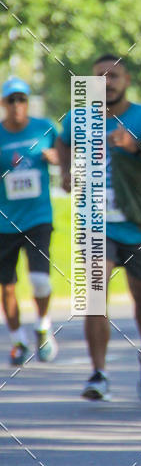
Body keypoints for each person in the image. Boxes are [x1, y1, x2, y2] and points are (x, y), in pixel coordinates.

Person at [57, 55, 141, 401]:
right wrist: (66, 171)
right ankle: (98, 373)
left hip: (139, 224)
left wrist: (135, 147)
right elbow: (63, 140)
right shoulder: (79, 117)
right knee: (94, 296)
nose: (106, 83)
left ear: (126, 80)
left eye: (114, 76)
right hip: (96, 223)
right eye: (99, 77)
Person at [0, 77, 59, 365]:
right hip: (4, 222)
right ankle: (18, 341)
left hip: (38, 217)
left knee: (39, 280)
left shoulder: (44, 128)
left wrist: (58, 157)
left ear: (27, 102)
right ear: (3, 104)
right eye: (11, 100)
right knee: (7, 285)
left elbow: (67, 155)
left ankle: (43, 326)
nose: (17, 105)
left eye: (21, 99)